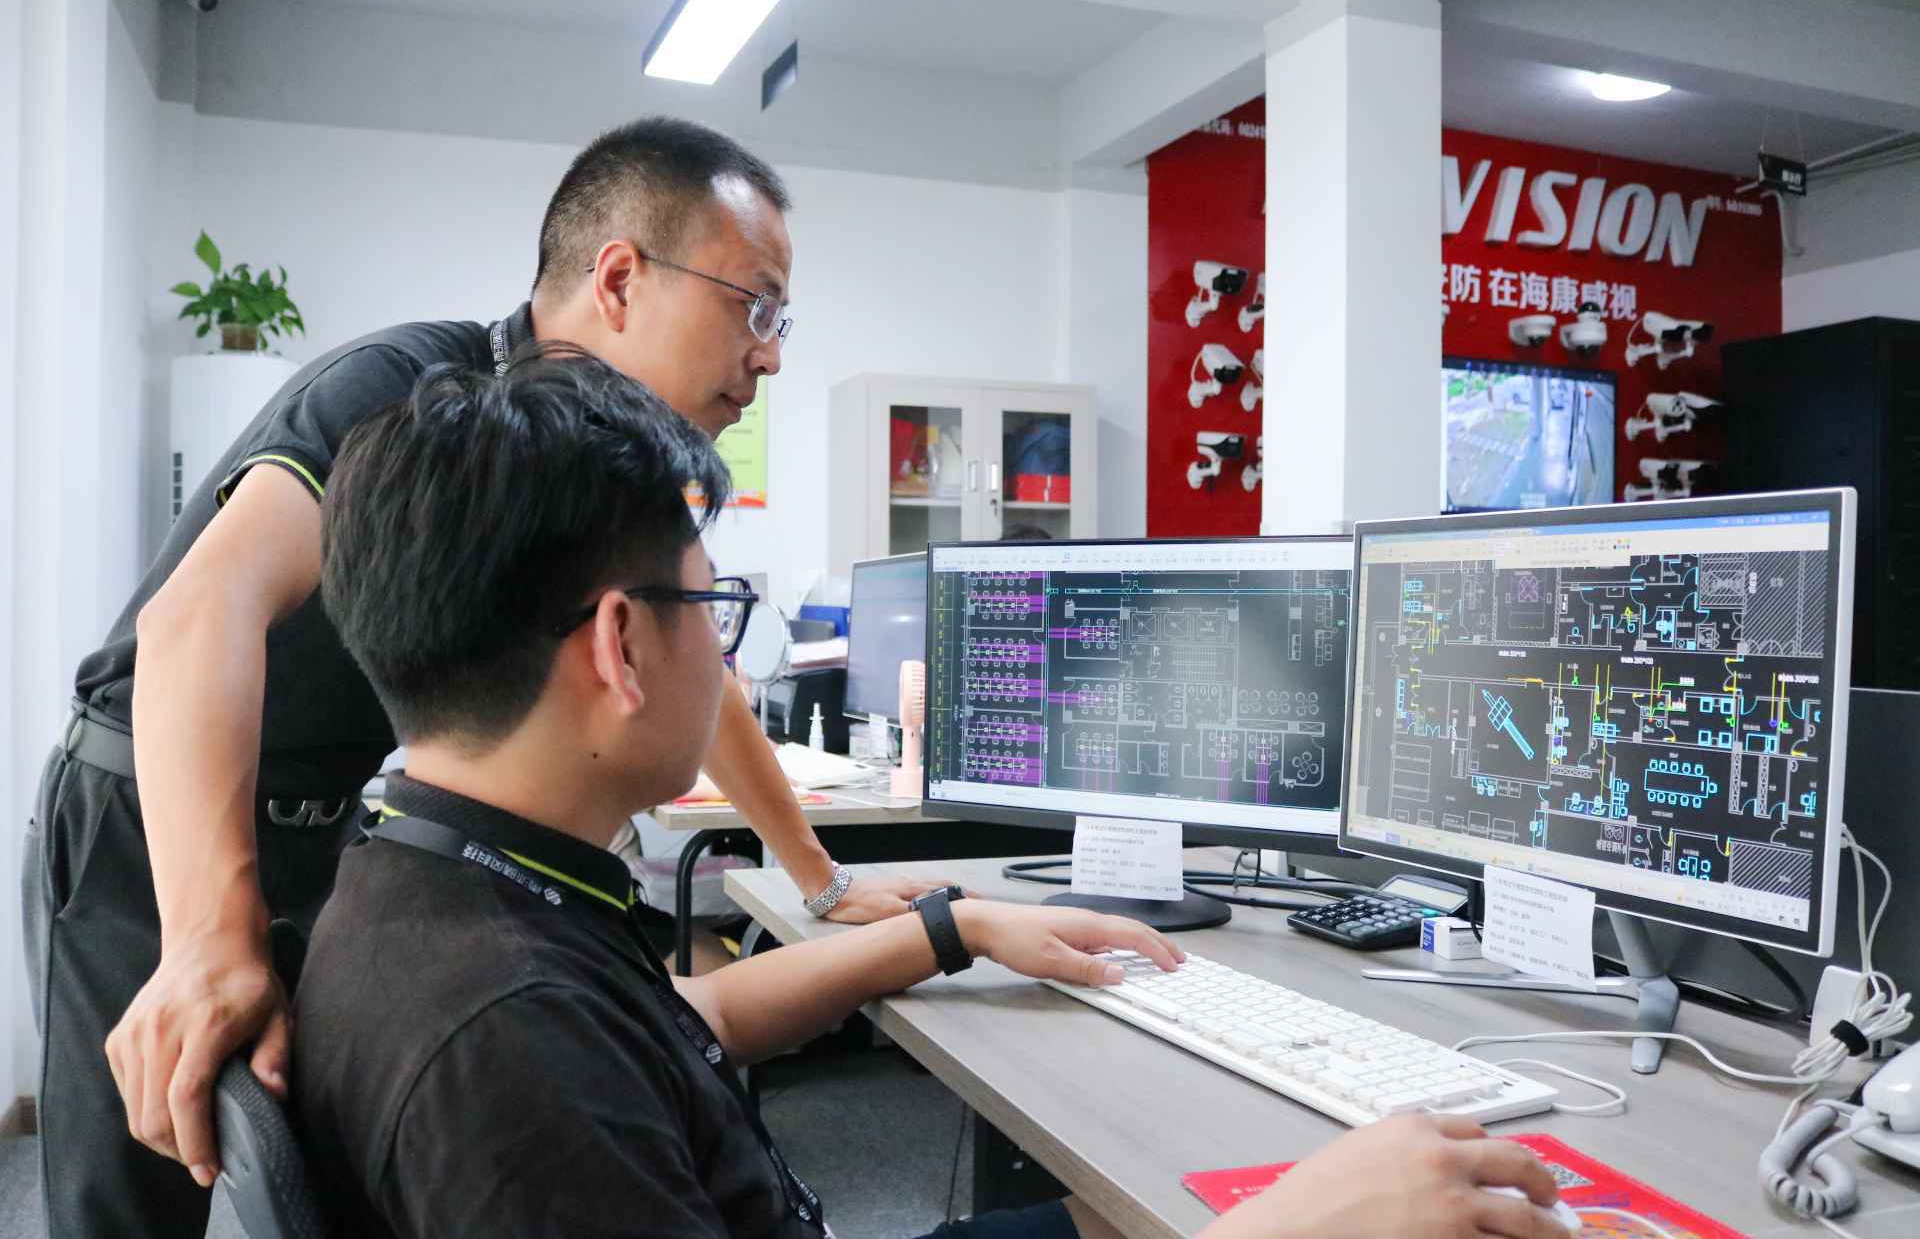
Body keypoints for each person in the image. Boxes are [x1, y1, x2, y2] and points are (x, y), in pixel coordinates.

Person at [296, 348, 1568, 1239]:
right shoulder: (506, 1046)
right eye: (712, 605)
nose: (724, 657)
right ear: (620, 645)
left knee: (1131, 1212)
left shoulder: (436, 873)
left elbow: (680, 1021)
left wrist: (952, 928)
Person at [22, 115, 939, 1236]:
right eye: (755, 305)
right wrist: (211, 933)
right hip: (154, 809)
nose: (771, 354)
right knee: (152, 1170)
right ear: (619, 279)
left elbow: (682, 650)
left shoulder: (591, 458)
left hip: (323, 820)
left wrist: (820, 879)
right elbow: (196, 616)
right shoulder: (410, 393)